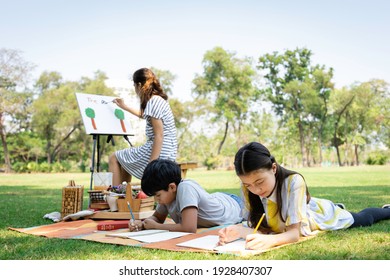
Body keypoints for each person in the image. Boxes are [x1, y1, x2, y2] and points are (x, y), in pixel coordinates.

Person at [218, 142, 390, 250]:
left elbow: (294, 234)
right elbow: (261, 226)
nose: (255, 189)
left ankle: (386, 210)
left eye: (260, 182)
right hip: (296, 214)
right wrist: (238, 231)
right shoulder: (249, 188)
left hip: (317, 218)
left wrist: (270, 241)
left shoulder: (294, 182)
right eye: (248, 184)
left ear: (273, 168)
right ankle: (334, 206)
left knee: (363, 219)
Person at [128, 159, 244, 233]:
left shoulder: (185, 188)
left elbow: (189, 228)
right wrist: (142, 224)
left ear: (172, 187)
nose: (156, 200)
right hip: (218, 198)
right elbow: (157, 218)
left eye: (158, 195)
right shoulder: (167, 197)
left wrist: (156, 227)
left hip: (235, 206)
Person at [109, 68, 177, 186]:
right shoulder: (157, 100)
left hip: (160, 150)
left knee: (113, 157)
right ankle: (124, 197)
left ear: (139, 85)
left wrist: (152, 166)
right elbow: (145, 115)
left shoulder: (153, 101)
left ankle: (115, 196)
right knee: (125, 161)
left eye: (134, 85)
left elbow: (159, 135)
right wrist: (124, 107)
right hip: (168, 149)